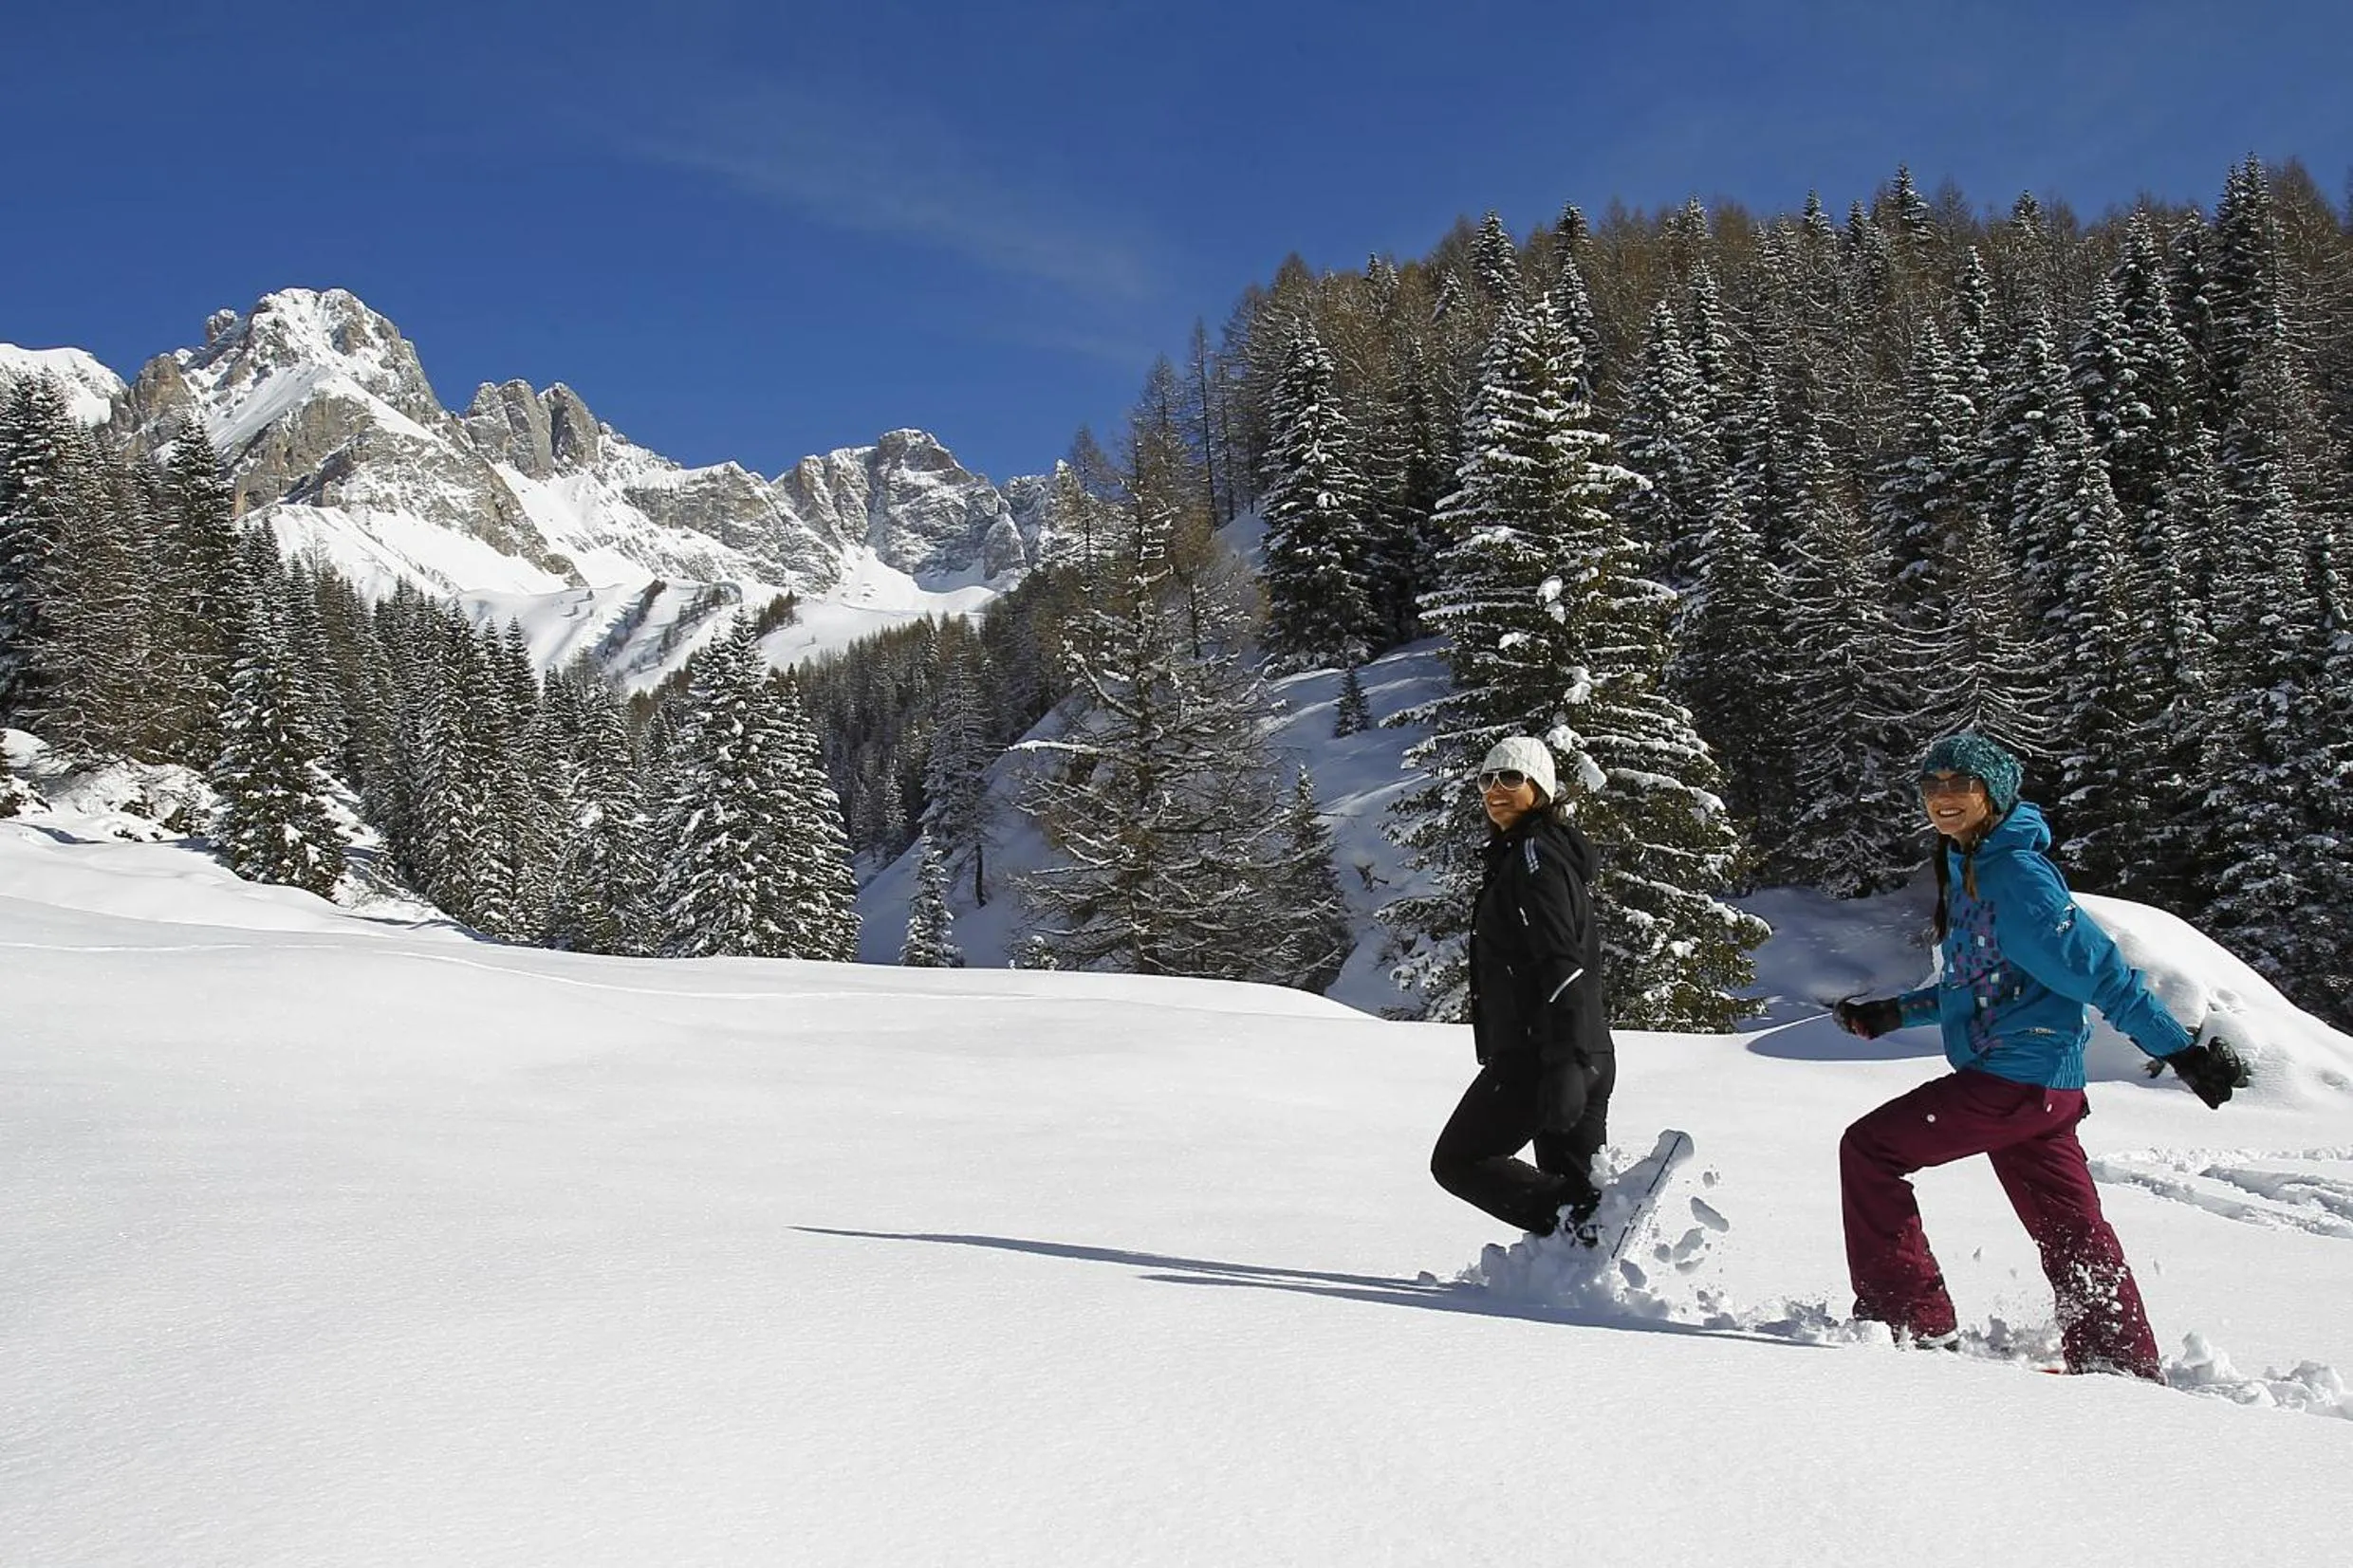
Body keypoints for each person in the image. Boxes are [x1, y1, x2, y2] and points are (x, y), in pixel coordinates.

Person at [1832, 732, 2249, 1379]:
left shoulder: (2015, 876)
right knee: (2069, 1227)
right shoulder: (1969, 863)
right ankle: (2116, 1358)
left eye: (1959, 785)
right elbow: (1982, 979)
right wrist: (1895, 1013)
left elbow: (2101, 973)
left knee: (1869, 1149)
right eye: (1932, 786)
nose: (1943, 799)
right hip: (2038, 1088)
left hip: (2015, 1079)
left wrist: (2182, 1051)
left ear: (1992, 793)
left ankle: (1910, 1318)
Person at [1429, 736, 1614, 1238]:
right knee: (1567, 1186)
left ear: (1541, 788)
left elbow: (1560, 962)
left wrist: (1565, 1063)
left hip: (1545, 1054)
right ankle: (1589, 1251)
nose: (1495, 790)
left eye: (1511, 779)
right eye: (1487, 780)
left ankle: (1590, 1219)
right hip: (1577, 1049)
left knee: (1460, 1161)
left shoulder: (1535, 860)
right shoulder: (1531, 854)